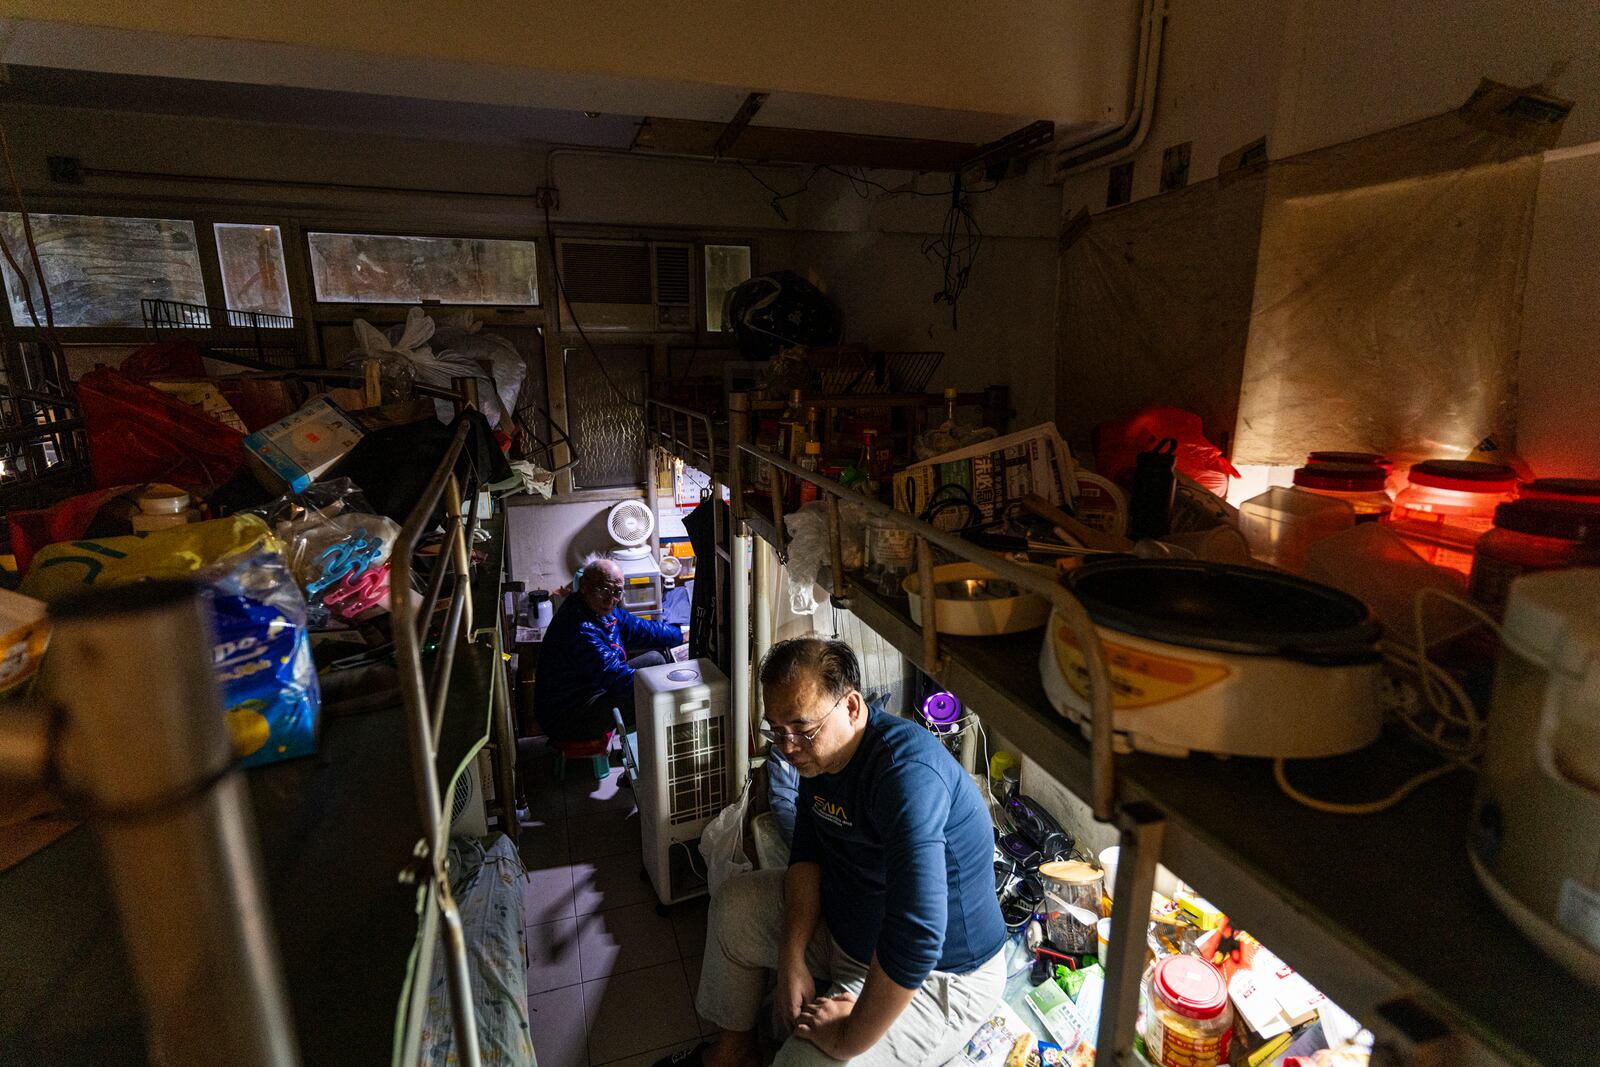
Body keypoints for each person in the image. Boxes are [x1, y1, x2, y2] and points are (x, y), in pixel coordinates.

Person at [664, 637, 1007, 1067]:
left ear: (851, 707)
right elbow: (807, 856)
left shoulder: (906, 777)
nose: (788, 748)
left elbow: (917, 935)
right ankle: (733, 1052)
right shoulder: (821, 758)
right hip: (850, 933)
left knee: (802, 1064)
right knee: (735, 904)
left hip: (938, 974)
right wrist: (792, 956)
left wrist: (849, 1036)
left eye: (803, 730)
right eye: (777, 730)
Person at [532, 555, 683, 742]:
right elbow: (615, 677)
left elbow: (642, 629)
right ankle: (658, 749)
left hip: (592, 690)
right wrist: (671, 684)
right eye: (603, 589)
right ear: (585, 587)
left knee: (656, 660)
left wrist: (681, 635)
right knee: (653, 698)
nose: (610, 599)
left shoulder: (600, 610)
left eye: (617, 592)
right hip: (568, 714)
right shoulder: (579, 628)